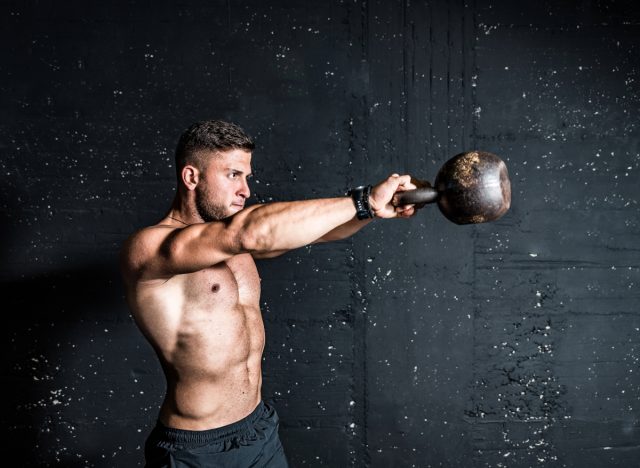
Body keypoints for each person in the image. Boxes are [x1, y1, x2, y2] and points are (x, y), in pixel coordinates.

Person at [119, 119, 422, 467]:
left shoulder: (232, 243)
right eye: (233, 175)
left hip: (259, 431)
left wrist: (376, 212)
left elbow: (321, 232)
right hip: (196, 450)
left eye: (247, 177)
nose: (245, 190)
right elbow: (250, 232)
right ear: (192, 177)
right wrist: (364, 200)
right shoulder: (150, 248)